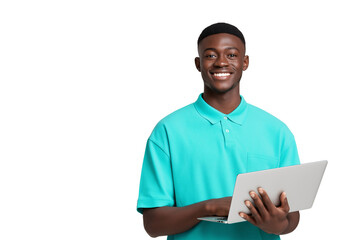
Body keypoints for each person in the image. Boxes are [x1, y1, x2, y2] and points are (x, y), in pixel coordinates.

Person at [137, 22, 300, 240]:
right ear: (198, 63)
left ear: (245, 62)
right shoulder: (167, 131)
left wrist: (277, 224)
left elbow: (292, 218)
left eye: (231, 55)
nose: (221, 62)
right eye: (211, 55)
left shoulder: (277, 131)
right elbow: (153, 224)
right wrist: (210, 207)